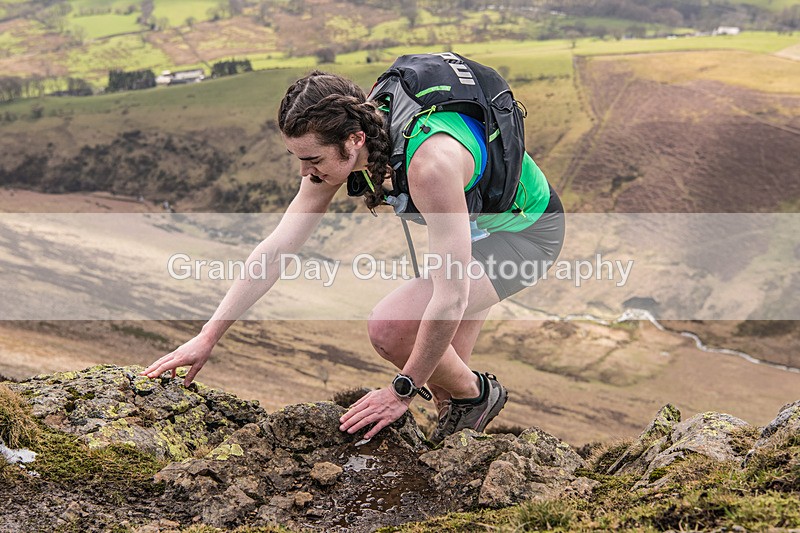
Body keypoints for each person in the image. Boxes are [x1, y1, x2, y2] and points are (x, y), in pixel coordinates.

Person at [142, 61, 565, 445]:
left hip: (528, 235)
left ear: (355, 139)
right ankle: (460, 425)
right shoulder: (348, 137)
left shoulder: (429, 165)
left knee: (394, 329)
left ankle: (478, 395)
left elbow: (451, 296)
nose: (305, 173)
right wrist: (208, 336)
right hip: (474, 228)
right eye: (298, 159)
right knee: (441, 378)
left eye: (311, 160)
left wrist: (401, 392)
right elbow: (277, 248)